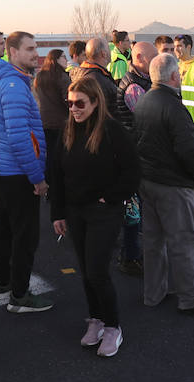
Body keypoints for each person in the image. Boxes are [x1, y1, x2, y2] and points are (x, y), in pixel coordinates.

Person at [48, 78, 140, 356]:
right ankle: (96, 319)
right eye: (69, 103)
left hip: (104, 212)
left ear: (96, 102)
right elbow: (57, 174)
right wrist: (57, 213)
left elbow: (132, 171)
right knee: (86, 271)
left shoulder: (112, 130)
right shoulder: (68, 130)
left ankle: (113, 327)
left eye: (80, 103)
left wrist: (110, 197)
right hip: (75, 211)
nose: (73, 109)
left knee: (98, 270)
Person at [133, 54, 194, 319]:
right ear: (174, 76)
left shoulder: (143, 101)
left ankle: (153, 293)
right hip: (173, 185)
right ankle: (190, 298)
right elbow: (188, 151)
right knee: (183, 243)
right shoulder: (174, 107)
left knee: (153, 242)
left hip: (148, 181)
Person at [0, 31, 54, 313]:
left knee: (5, 229)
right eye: (29, 49)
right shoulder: (13, 85)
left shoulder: (5, 80)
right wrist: (37, 178)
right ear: (12, 52)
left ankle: (2, 284)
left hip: (5, 168)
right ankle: (20, 296)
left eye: (36, 48)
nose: (35, 54)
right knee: (25, 236)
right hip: (18, 172)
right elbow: (19, 138)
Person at [113, 41, 157, 276]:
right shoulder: (133, 86)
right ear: (139, 58)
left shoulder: (142, 81)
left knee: (137, 208)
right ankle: (129, 257)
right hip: (134, 155)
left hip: (137, 152)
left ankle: (132, 254)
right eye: (152, 57)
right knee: (133, 210)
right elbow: (147, 121)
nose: (156, 61)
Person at [33, 48, 72, 149]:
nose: (66, 60)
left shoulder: (39, 77)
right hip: (60, 122)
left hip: (44, 121)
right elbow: (68, 99)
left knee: (48, 152)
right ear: (56, 59)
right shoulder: (62, 76)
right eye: (64, 57)